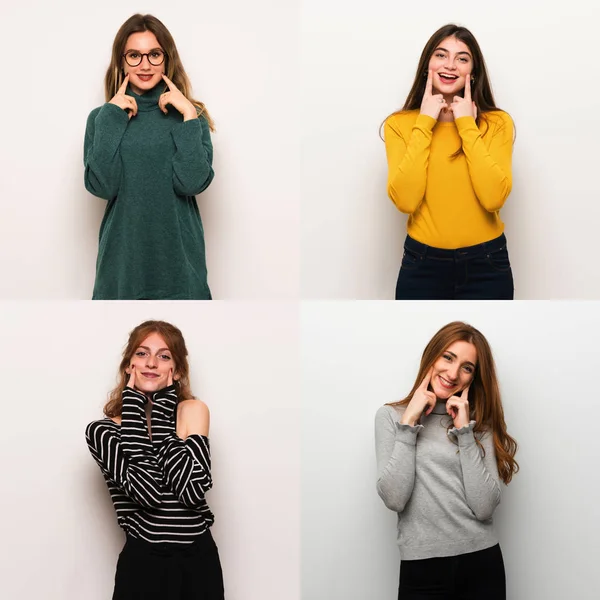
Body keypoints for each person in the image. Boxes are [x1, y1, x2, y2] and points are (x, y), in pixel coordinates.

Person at [374, 322, 518, 600]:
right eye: (448, 357)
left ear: (473, 378)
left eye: (467, 367)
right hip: (421, 568)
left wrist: (465, 433)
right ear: (432, 356)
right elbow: (394, 498)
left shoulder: (478, 425)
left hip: (482, 564)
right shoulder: (391, 417)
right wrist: (409, 423)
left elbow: (485, 507)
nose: (453, 374)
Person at [85, 320, 225, 599]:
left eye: (164, 356)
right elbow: (147, 494)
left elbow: (192, 491)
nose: (151, 363)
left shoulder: (193, 411)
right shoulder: (103, 431)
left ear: (177, 370)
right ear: (128, 366)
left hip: (199, 559)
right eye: (141, 353)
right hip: (143, 563)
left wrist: (161, 416)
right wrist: (135, 406)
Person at [84, 14, 215, 300]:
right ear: (121, 61)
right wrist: (111, 118)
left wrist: (190, 116)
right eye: (134, 55)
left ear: (167, 59)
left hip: (180, 265)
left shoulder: (191, 117)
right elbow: (102, 186)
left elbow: (192, 183)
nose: (145, 64)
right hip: (122, 267)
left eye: (154, 54)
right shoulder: (102, 119)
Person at [383, 24, 515, 300]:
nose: (451, 65)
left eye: (462, 58)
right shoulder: (400, 125)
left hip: (487, 264)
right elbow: (406, 201)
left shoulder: (497, 123)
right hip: (422, 264)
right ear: (426, 65)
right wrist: (425, 122)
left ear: (473, 71)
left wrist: (466, 123)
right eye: (441, 55)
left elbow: (493, 198)